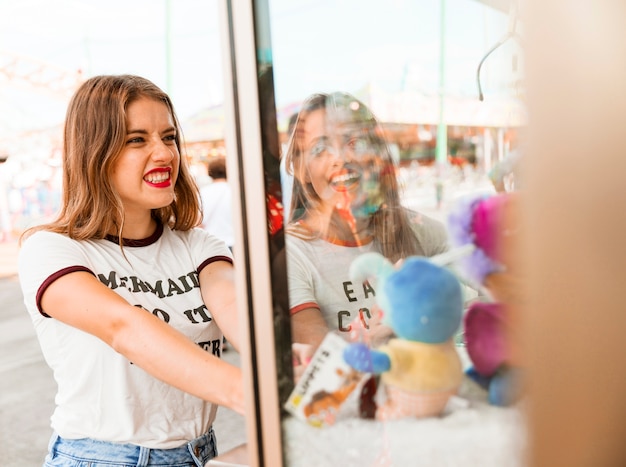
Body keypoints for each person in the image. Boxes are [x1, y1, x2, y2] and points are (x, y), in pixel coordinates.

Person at [17, 75, 244, 467]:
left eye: (169, 137)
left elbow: (239, 312)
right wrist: (257, 394)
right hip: (102, 458)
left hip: (201, 454)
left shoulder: (200, 246)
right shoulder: (51, 249)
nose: (164, 153)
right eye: (137, 140)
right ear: (95, 152)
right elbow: (124, 328)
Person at [282, 92, 450, 351]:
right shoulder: (292, 254)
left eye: (354, 142)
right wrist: (373, 335)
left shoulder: (410, 227)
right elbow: (319, 360)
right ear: (301, 168)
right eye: (320, 149)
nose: (341, 158)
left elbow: (482, 266)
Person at [200, 155, 234, 252]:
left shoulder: (203, 193)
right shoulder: (235, 191)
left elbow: (198, 222)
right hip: (235, 242)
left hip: (213, 244)